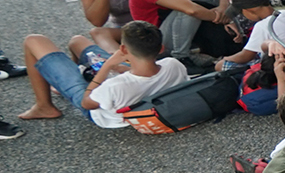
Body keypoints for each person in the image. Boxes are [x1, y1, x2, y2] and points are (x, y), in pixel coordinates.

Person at [14, 20, 187, 128]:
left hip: (100, 108)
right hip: (131, 85)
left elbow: (87, 103)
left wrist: (107, 66)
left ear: (123, 49)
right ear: (161, 48)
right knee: (77, 41)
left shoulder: (114, 86)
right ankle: (67, 80)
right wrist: (123, 68)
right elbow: (147, 78)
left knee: (33, 40)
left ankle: (44, 106)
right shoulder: (173, 64)